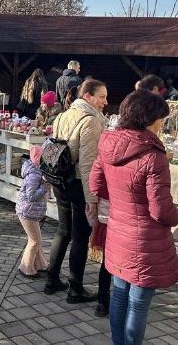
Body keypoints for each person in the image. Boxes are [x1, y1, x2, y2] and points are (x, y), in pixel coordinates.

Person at [88, 89, 178, 344]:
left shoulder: (108, 142)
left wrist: (122, 200)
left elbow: (96, 184)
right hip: (145, 238)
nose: (162, 123)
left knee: (119, 295)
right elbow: (160, 210)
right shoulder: (153, 155)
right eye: (161, 118)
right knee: (137, 303)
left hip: (118, 231)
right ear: (148, 118)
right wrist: (176, 216)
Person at [45, 79, 107, 304]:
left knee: (63, 230)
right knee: (80, 237)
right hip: (78, 183)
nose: (105, 102)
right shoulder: (90, 121)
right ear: (88, 97)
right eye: (101, 96)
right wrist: (92, 197)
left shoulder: (63, 114)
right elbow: (88, 164)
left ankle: (52, 279)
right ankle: (75, 288)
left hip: (61, 180)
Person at [15, 145, 50, 278]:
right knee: (35, 241)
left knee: (35, 239)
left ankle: (41, 264)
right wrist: (44, 188)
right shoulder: (34, 175)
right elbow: (31, 196)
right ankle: (26, 267)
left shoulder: (35, 171)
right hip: (27, 212)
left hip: (29, 211)